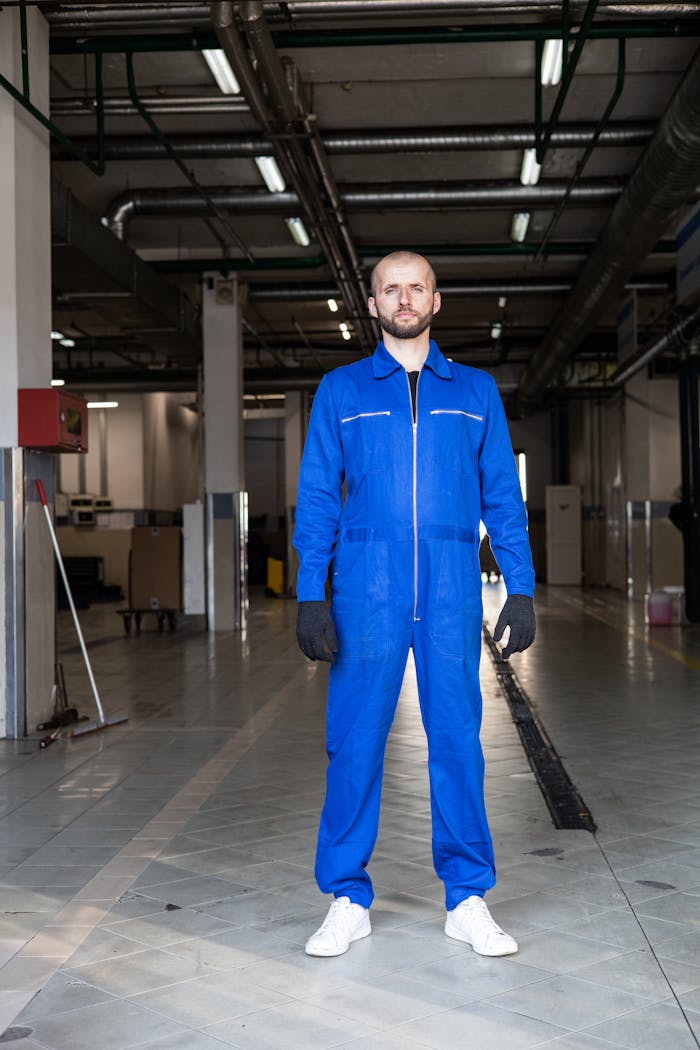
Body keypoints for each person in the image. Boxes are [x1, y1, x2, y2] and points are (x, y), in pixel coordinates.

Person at [293, 251, 535, 959]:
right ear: (372, 305)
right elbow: (316, 498)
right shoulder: (340, 391)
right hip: (366, 589)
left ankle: (467, 897)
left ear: (437, 299)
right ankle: (346, 896)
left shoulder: (475, 391)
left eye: (415, 288)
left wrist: (518, 584)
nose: (404, 299)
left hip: (453, 587)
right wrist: (312, 592)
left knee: (458, 737)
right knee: (355, 742)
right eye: (389, 289)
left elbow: (502, 497)